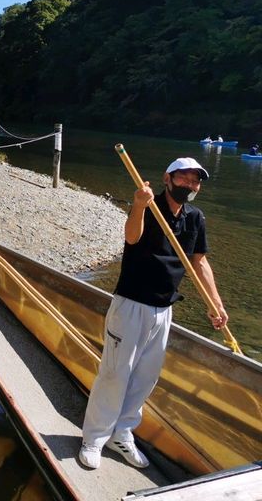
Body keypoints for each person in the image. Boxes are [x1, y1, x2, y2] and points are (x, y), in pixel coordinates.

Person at [78, 157, 228, 470]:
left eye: (195, 181)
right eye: (184, 178)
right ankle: (94, 438)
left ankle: (123, 432)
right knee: (116, 373)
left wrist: (215, 302)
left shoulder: (195, 218)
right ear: (167, 178)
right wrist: (138, 206)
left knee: (145, 377)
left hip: (164, 310)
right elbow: (132, 237)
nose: (190, 184)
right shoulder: (149, 205)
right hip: (131, 304)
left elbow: (199, 262)